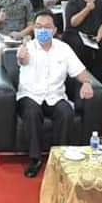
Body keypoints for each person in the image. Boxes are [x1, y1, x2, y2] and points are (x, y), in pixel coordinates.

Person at [17, 12, 94, 178]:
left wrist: (87, 83)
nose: (42, 30)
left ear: (54, 30)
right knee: (32, 112)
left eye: (47, 27)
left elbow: (80, 71)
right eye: (38, 27)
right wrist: (21, 57)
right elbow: (23, 60)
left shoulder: (64, 49)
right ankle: (35, 159)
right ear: (34, 29)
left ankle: (60, 158)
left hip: (55, 95)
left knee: (66, 113)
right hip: (30, 95)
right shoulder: (27, 47)